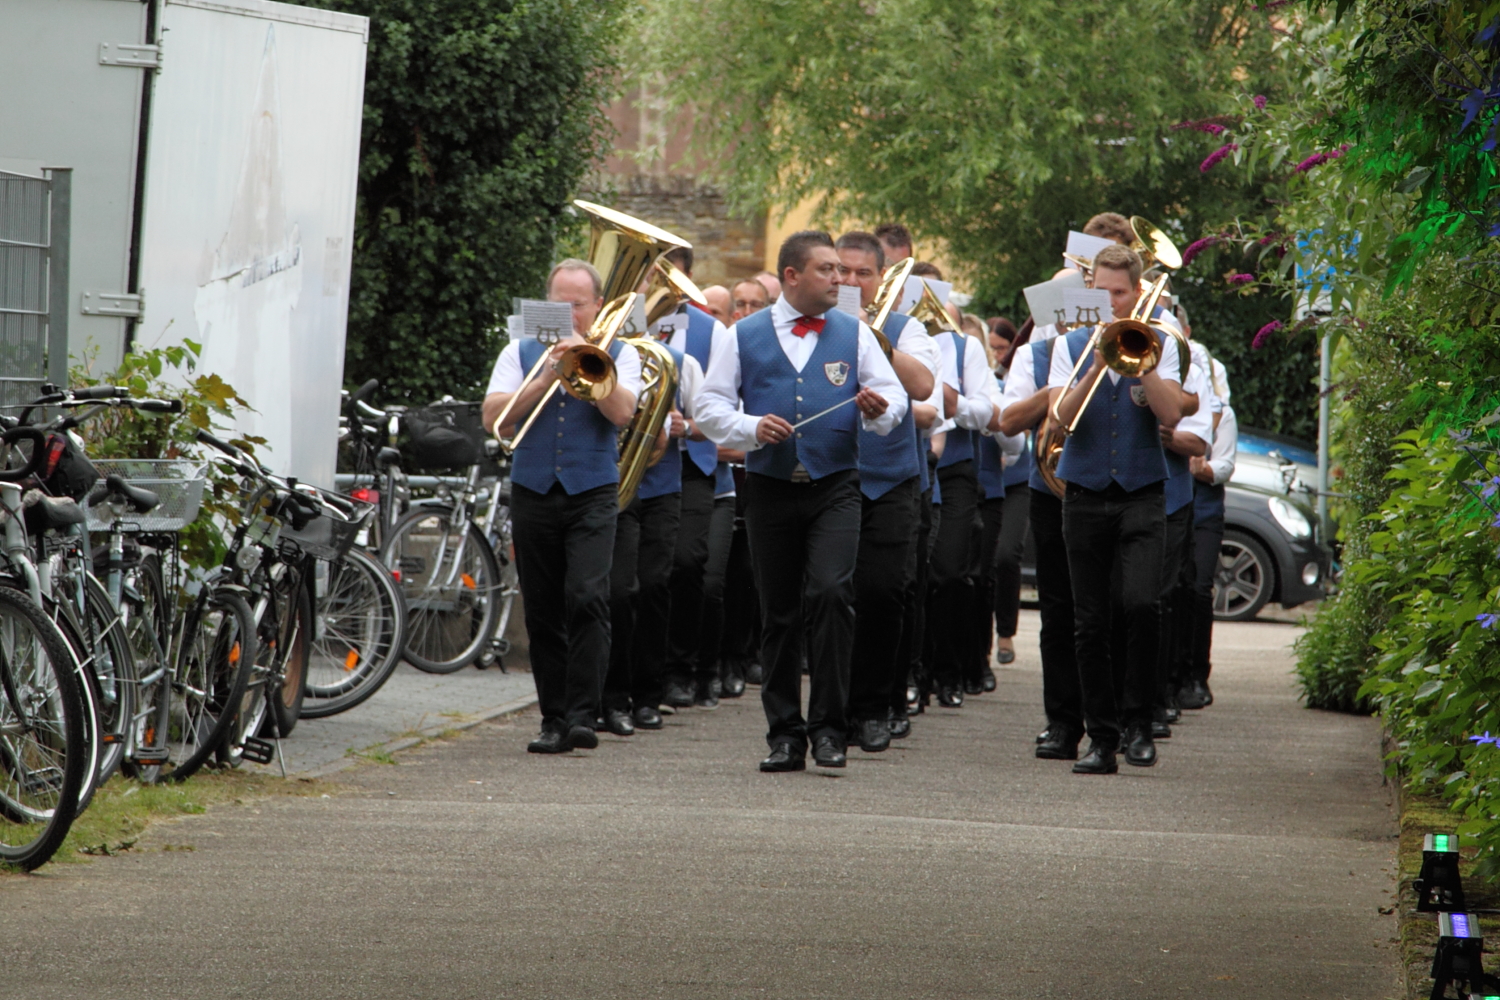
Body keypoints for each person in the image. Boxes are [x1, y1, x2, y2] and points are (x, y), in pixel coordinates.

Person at [697, 230, 907, 772]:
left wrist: (879, 409)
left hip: (835, 485)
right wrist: (750, 426)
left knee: (833, 594)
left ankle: (830, 729)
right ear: (792, 276)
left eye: (840, 269)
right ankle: (785, 735)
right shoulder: (741, 335)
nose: (840, 279)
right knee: (779, 612)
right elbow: (709, 406)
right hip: (768, 488)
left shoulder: (855, 333)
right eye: (827, 269)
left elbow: (893, 403)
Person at [482, 259, 642, 754]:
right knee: (543, 606)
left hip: (592, 489)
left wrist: (584, 360)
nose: (569, 314)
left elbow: (623, 412)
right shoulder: (518, 350)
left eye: (578, 305)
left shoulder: (621, 353)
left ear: (597, 307)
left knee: (589, 596)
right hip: (532, 488)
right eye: (559, 304)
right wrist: (546, 376)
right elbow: (494, 419)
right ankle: (553, 718)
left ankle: (583, 715)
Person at [1048, 242, 1192, 774]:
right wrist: (1097, 361)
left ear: (1136, 293)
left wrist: (1141, 360)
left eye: (1119, 292)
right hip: (1084, 495)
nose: (1110, 302)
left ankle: (1139, 724)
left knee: (1141, 606)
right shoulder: (1070, 344)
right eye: (1101, 292)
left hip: (1142, 493)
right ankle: (1100, 738)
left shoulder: (1160, 341)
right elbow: (1060, 419)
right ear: (1090, 291)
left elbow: (1171, 414)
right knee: (1089, 622)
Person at [835, 231, 941, 752]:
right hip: (829, 477)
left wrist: (873, 335)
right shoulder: (812, 328)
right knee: (831, 595)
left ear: (882, 280)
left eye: (864, 273)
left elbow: (922, 387)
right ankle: (833, 710)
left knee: (883, 593)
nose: (851, 281)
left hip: (890, 482)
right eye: (843, 272)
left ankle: (877, 707)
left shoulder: (907, 328)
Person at [655, 246, 737, 711]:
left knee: (688, 565)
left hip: (690, 464)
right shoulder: (620, 324)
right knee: (642, 574)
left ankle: (680, 671)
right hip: (636, 465)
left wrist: (689, 425)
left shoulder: (712, 331)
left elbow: (725, 407)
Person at [603, 344, 699, 734]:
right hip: (614, 484)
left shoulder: (677, 362)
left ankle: (647, 696)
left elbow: (710, 420)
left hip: (660, 488)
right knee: (619, 590)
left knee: (655, 586)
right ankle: (612, 697)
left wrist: (680, 424)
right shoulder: (603, 354)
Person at [925, 296, 1001, 707]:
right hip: (910, 465)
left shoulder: (965, 348)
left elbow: (987, 412)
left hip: (954, 469)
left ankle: (948, 672)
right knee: (909, 575)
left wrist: (954, 406)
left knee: (950, 573)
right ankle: (913, 674)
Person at [1185, 349, 1235, 709]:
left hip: (1204, 510)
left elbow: (1225, 465)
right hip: (1172, 508)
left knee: (1199, 589)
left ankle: (1197, 675)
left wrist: (1204, 470)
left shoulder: (1223, 414)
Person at [986, 318, 1029, 668]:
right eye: (992, 349)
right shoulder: (981, 376)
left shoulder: (1020, 373)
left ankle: (1005, 633)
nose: (997, 355)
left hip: (1016, 480)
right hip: (986, 481)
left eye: (1002, 349)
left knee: (1006, 555)